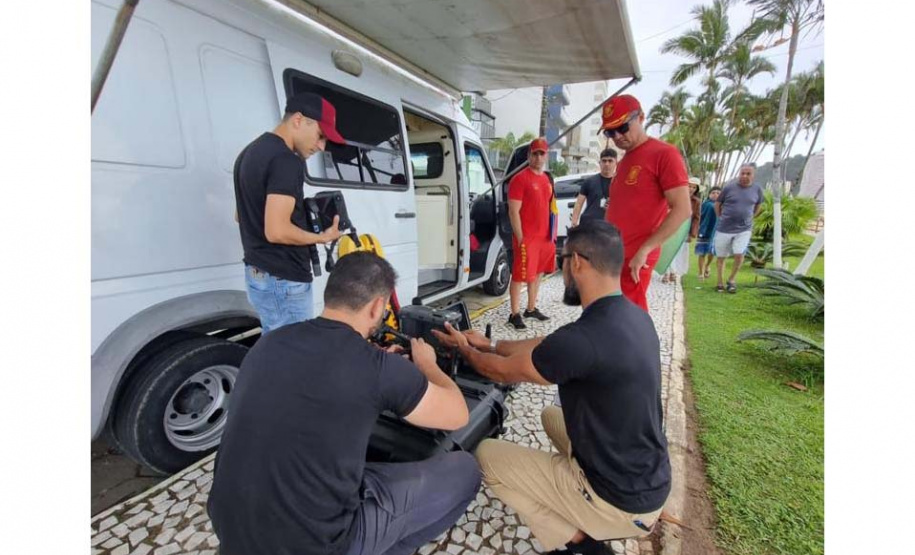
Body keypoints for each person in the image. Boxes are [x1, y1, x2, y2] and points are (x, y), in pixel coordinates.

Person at [207, 251, 481, 555]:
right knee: (467, 471)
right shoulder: (377, 369)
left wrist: (377, 366)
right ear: (378, 306)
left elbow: (319, 377)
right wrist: (427, 364)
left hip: (231, 531)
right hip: (318, 545)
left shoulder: (268, 342)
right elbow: (457, 415)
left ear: (330, 294)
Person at [432, 220, 670, 555]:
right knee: (549, 415)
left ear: (577, 263)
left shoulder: (584, 340)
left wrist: (464, 350)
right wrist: (489, 343)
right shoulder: (632, 317)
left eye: (563, 260)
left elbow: (499, 372)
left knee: (486, 456)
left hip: (621, 499)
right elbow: (548, 343)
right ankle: (589, 500)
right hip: (647, 475)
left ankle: (581, 541)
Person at [234, 92, 347, 334]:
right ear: (298, 120)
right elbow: (276, 231)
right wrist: (321, 237)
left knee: (275, 347)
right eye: (320, 136)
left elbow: (239, 214)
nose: (321, 146)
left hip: (259, 275)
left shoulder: (248, 153)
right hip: (283, 279)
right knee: (294, 356)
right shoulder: (287, 161)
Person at [600, 94, 692, 311]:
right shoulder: (623, 162)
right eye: (609, 132)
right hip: (612, 255)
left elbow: (683, 208)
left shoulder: (664, 154)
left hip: (636, 256)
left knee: (628, 317)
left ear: (641, 117)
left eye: (622, 127)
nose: (617, 136)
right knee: (609, 314)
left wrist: (646, 250)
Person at [506, 137, 557, 329]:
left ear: (546, 156)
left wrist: (551, 236)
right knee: (519, 276)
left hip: (544, 238)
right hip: (526, 238)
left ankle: (531, 308)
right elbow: (513, 211)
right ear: (529, 155)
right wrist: (520, 238)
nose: (538, 157)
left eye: (541, 153)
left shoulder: (546, 179)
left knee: (538, 274)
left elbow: (549, 207)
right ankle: (514, 313)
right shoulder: (519, 179)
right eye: (534, 153)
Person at [714, 163, 764, 293]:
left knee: (739, 254)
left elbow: (759, 205)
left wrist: (752, 216)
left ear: (753, 175)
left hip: (744, 229)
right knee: (721, 256)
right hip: (724, 228)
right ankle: (719, 282)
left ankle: (731, 280)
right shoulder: (729, 188)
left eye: (748, 173)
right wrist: (720, 216)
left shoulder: (757, 189)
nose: (744, 176)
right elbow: (718, 203)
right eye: (742, 173)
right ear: (739, 173)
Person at [662, 177, 702, 284]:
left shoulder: (696, 202)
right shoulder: (676, 196)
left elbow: (696, 218)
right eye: (689, 186)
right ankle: (667, 273)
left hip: (684, 228)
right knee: (668, 250)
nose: (691, 189)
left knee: (678, 252)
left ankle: (673, 272)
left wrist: (693, 233)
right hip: (672, 226)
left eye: (694, 187)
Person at [571, 149, 617, 227]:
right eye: (604, 161)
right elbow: (578, 203)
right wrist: (574, 222)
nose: (607, 164)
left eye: (610, 161)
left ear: (616, 163)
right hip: (589, 224)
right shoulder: (589, 181)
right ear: (600, 163)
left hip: (611, 226)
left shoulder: (620, 183)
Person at [695, 186, 721, 280]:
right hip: (703, 231)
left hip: (715, 233)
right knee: (701, 253)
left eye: (718, 193)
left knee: (711, 252)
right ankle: (700, 272)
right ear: (709, 194)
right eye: (713, 192)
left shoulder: (722, 206)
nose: (715, 195)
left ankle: (707, 266)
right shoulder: (705, 204)